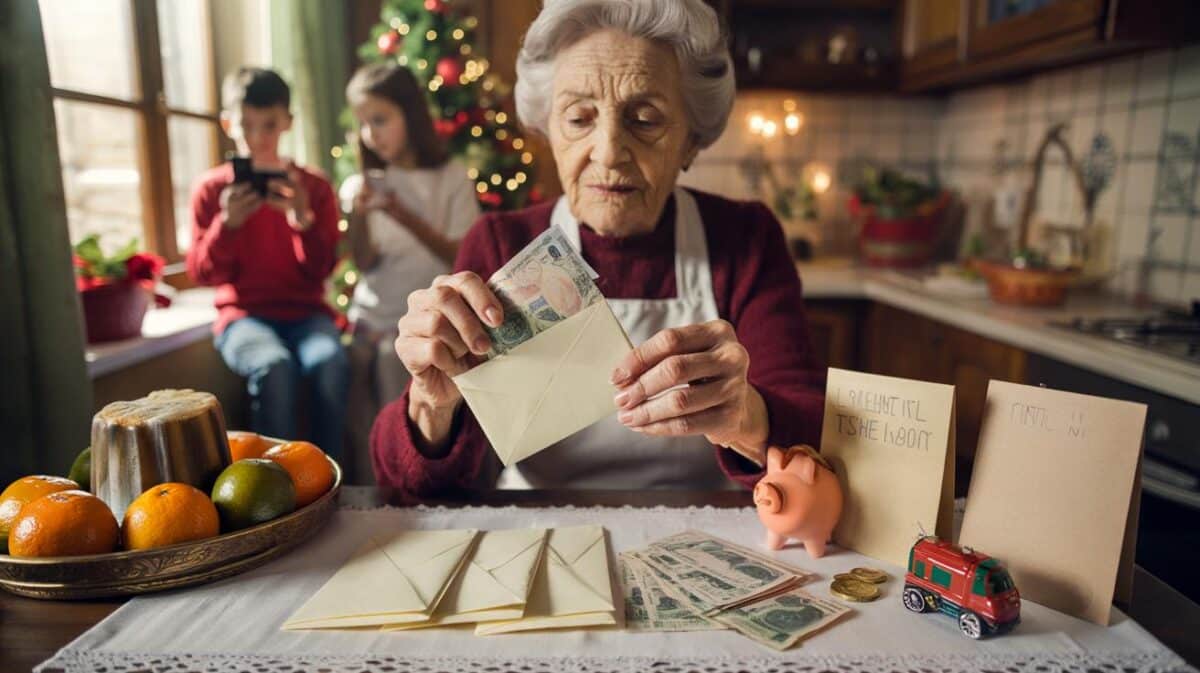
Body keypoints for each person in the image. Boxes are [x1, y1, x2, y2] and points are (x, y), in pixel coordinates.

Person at [371, 0, 825, 497]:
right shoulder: (500, 243)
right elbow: (413, 489)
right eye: (579, 118)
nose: (608, 152)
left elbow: (814, 436)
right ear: (548, 130)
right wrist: (431, 406)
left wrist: (749, 416)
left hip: (709, 517)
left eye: (645, 119)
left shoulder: (744, 238)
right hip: (541, 518)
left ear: (691, 141)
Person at [187, 67, 348, 460]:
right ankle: (273, 481)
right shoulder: (212, 190)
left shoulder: (313, 187)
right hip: (243, 317)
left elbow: (324, 270)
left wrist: (302, 220)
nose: (257, 138)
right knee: (274, 367)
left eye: (269, 125)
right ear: (228, 124)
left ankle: (329, 475)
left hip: (308, 315)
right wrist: (227, 225)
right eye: (246, 126)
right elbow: (202, 274)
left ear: (288, 123)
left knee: (330, 363)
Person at [339, 64, 480, 481]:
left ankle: (405, 485)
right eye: (362, 123)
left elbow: (459, 255)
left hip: (423, 319)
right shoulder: (362, 183)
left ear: (410, 115)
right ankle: (366, 487)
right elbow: (364, 260)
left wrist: (401, 214)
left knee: (396, 380)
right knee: (356, 407)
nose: (370, 134)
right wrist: (357, 216)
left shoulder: (449, 179)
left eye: (380, 120)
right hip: (371, 314)